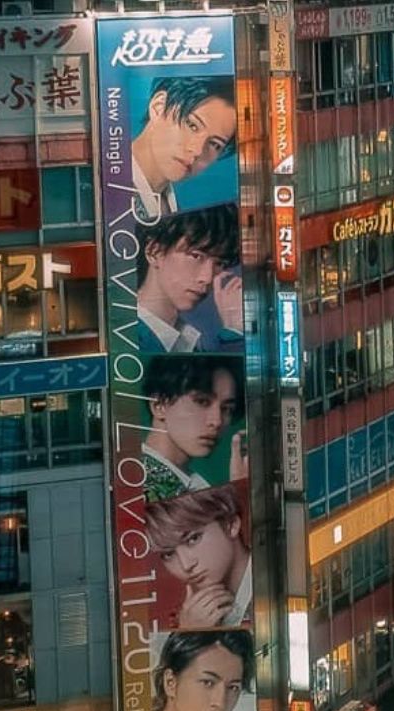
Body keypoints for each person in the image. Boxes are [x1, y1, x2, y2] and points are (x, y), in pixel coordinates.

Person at [135, 206, 244, 354]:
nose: (207, 278)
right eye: (196, 256)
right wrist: (233, 331)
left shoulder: (188, 340)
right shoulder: (133, 339)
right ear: (154, 252)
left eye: (219, 263)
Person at [141, 351, 246, 500]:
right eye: (202, 402)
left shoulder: (191, 482)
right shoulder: (142, 484)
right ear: (159, 405)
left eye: (227, 409)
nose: (216, 421)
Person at [131, 76, 238, 222]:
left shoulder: (171, 204)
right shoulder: (111, 188)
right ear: (158, 106)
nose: (197, 150)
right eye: (192, 125)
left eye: (215, 144)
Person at [146, 485, 254, 627]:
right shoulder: (189, 617)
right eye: (168, 554)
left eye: (193, 539)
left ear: (231, 524)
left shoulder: (271, 581)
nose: (186, 565)